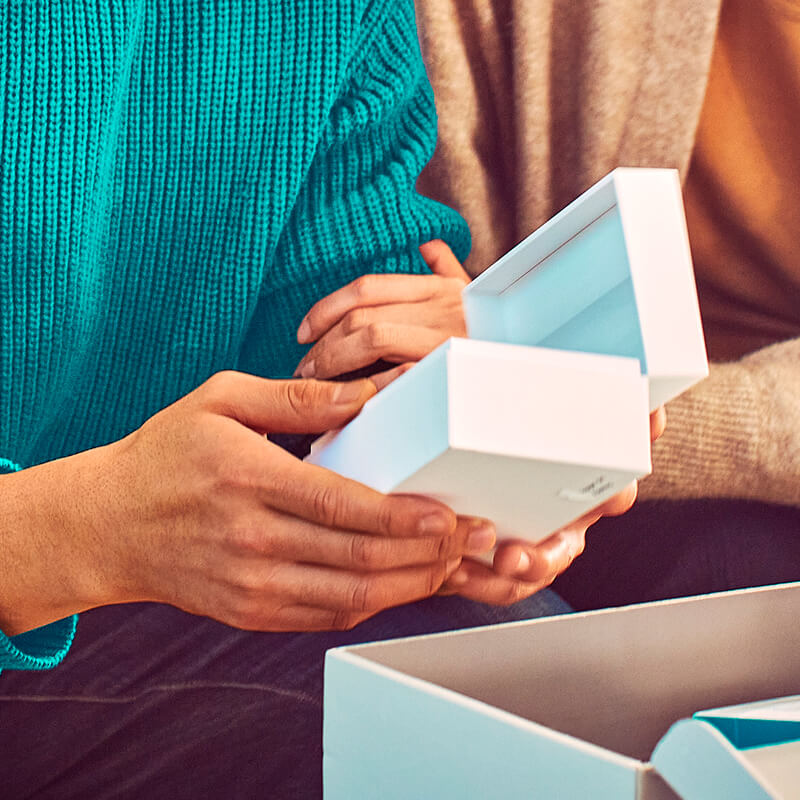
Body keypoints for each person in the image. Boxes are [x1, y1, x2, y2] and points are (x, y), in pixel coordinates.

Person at [0, 2, 644, 796]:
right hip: (36, 573)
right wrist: (74, 531)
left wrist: (473, 456)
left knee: (542, 704)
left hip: (136, 613)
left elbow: (334, 340)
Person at [414, 0, 800, 609]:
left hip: (627, 460)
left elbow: (503, 368)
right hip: (557, 492)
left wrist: (596, 418)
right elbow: (453, 284)